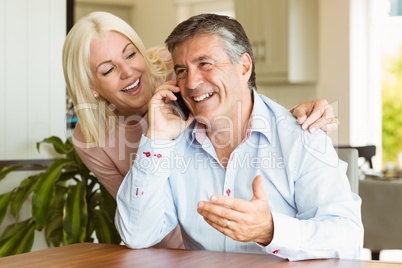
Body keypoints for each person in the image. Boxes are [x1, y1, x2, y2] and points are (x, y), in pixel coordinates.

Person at [62, 11, 339, 251]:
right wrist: (155, 141)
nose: (128, 72)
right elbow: (139, 230)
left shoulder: (174, 67)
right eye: (108, 69)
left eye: (131, 54)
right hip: (175, 249)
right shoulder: (100, 139)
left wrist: (292, 123)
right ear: (92, 88)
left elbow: (238, 100)